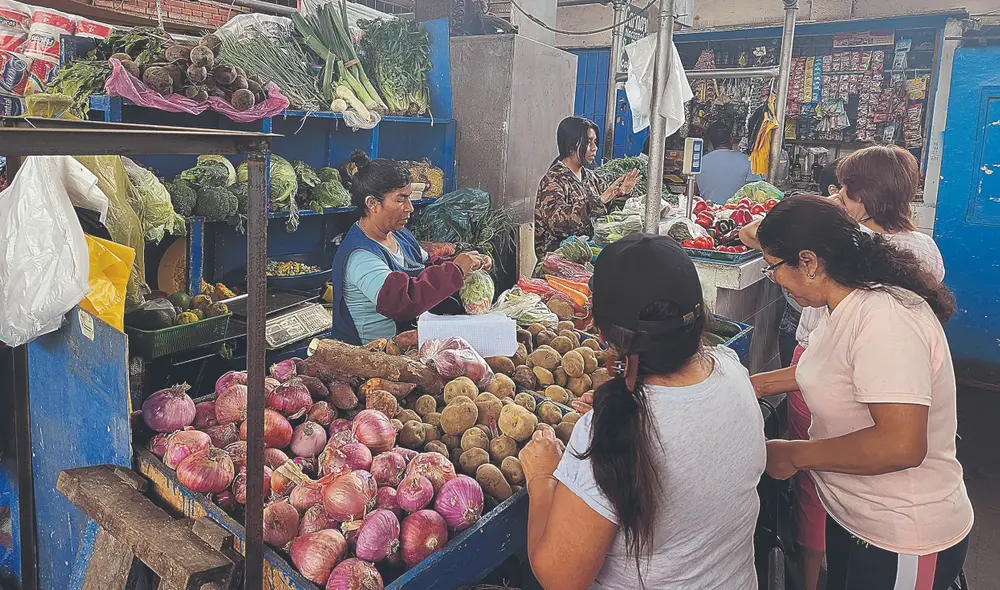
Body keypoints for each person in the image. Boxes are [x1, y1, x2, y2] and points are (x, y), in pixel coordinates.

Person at [518, 234, 766, 589]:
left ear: (602, 334)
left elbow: (558, 577)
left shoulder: (608, 434)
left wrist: (542, 477)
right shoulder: (731, 370)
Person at [752, 196, 973, 590]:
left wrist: (795, 454)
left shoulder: (886, 319)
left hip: (902, 534)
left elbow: (900, 445)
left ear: (809, 261)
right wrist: (750, 385)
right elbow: (824, 369)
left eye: (773, 269)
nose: (775, 281)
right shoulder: (844, 305)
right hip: (855, 516)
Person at [331, 153, 491, 345]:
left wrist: (467, 265)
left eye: (409, 199)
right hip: (375, 357)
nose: (410, 208)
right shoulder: (361, 257)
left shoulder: (398, 234)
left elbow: (426, 262)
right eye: (400, 200)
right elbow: (402, 301)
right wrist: (455, 271)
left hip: (407, 344)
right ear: (372, 204)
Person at [534, 117, 638, 257]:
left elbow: (607, 217)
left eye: (595, 142)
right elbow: (558, 224)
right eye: (588, 142)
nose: (594, 148)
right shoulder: (553, 181)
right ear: (571, 145)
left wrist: (621, 195)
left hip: (589, 255)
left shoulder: (592, 178)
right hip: (559, 262)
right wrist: (598, 202)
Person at [695, 121, 762, 204]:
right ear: (731, 138)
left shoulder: (698, 163)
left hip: (706, 213)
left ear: (710, 142)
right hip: (738, 214)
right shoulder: (748, 162)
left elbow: (690, 193)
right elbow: (756, 192)